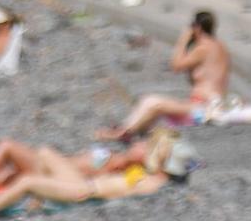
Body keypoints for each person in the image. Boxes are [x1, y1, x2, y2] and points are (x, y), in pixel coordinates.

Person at [0, 127, 196, 220]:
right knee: (43, 153)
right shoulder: (150, 177)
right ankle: (34, 199)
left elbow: (122, 187)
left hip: (85, 191)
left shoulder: (149, 181)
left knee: (28, 180)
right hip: (87, 186)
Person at [98, 11, 232, 139]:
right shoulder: (220, 46)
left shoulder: (203, 48)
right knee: (151, 105)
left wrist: (183, 39)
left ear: (196, 27)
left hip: (205, 108)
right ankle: (126, 130)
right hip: (209, 103)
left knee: (153, 103)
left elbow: (176, 65)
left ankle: (123, 133)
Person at [0, 136, 150, 202]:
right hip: (52, 169)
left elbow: (96, 187)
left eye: (145, 148)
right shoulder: (116, 155)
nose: (141, 144)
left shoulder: (124, 171)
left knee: (8, 146)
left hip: (56, 179)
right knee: (12, 169)